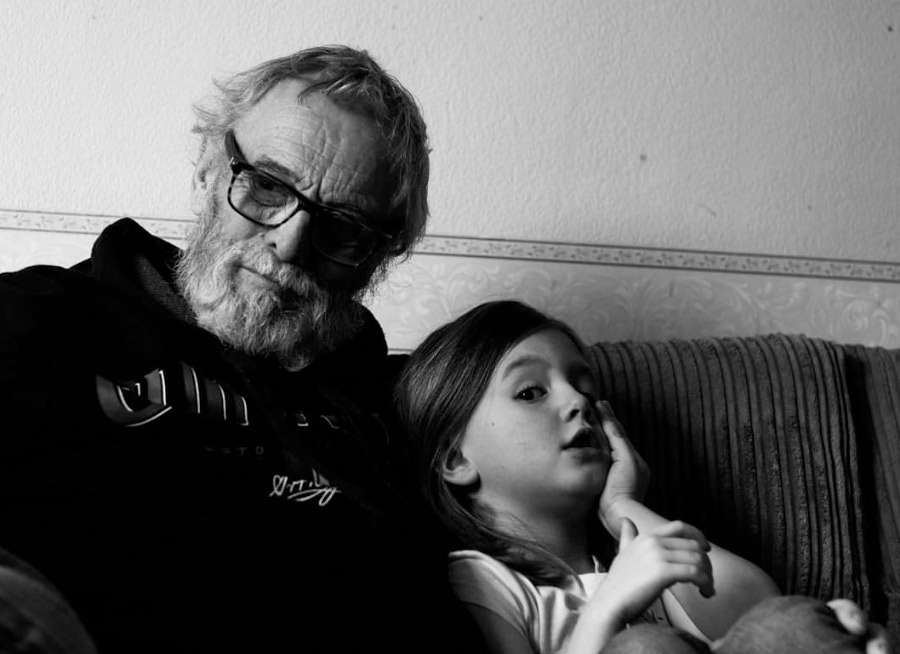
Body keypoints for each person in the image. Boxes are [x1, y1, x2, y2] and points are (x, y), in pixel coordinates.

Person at [0, 46, 486, 653]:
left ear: (378, 259)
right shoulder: (38, 318)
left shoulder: (393, 411)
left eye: (344, 228)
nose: (289, 242)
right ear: (210, 163)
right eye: (266, 185)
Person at [393, 299, 892, 654]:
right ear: (456, 458)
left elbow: (754, 609)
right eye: (530, 392)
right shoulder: (483, 580)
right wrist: (609, 606)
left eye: (584, 386)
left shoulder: (637, 561)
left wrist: (625, 506)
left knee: (796, 623)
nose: (577, 402)